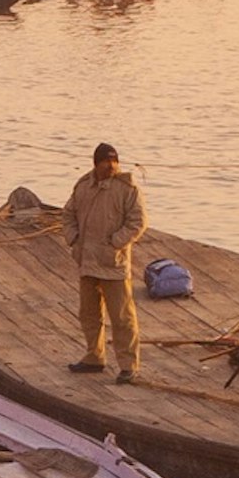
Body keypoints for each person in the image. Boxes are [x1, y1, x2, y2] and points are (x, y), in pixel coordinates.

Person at [60, 145, 145, 381]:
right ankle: (94, 356)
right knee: (88, 313)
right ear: (96, 164)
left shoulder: (127, 189)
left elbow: (138, 222)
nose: (111, 166)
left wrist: (115, 242)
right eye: (106, 162)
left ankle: (129, 365)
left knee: (122, 317)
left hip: (112, 263)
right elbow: (68, 215)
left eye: (114, 162)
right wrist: (74, 239)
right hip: (87, 260)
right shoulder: (83, 186)